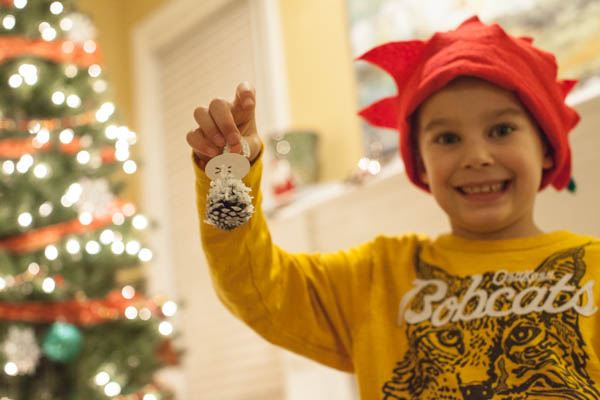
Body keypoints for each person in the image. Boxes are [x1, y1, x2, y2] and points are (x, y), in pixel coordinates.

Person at [185, 15, 600, 400]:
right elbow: (256, 287)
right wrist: (229, 175)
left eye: (502, 130)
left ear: (546, 146)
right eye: (447, 139)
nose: (477, 157)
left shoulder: (593, 268)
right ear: (419, 162)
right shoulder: (378, 277)